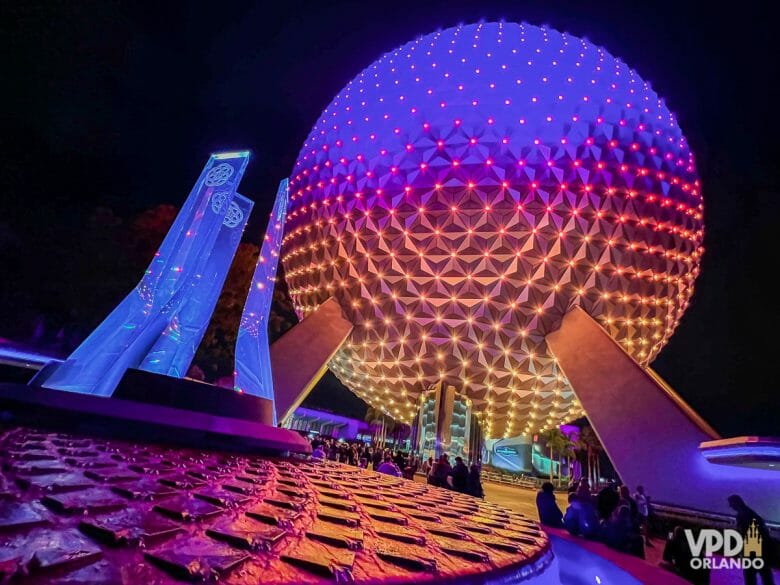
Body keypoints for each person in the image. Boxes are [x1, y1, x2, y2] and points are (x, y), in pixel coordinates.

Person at [727, 495, 775, 585]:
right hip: (762, 548)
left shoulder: (742, 515)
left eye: (731, 504)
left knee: (750, 574)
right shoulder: (750, 513)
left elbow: (744, 534)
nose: (731, 506)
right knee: (765, 573)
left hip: (752, 549)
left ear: (736, 503)